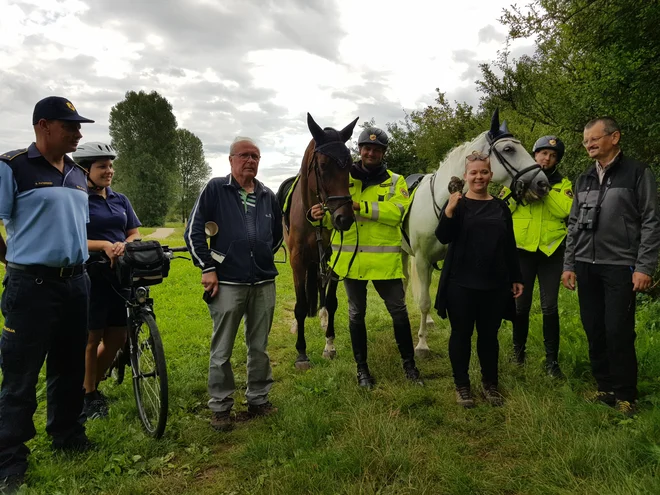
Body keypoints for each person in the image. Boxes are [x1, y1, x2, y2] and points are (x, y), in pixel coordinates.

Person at [0, 96, 95, 492]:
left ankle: (67, 434)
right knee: (20, 375)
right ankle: (9, 459)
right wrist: (14, 261)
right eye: (70, 126)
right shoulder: (13, 166)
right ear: (43, 126)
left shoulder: (76, 172)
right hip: (31, 286)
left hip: (76, 282)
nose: (78, 133)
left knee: (69, 366)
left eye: (78, 126)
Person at [562, 117, 660, 416]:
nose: (588, 144)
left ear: (614, 137)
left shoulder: (638, 173)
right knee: (594, 329)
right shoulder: (583, 178)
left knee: (618, 330)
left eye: (593, 138)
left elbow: (652, 221)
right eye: (585, 141)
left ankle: (626, 395)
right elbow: (575, 224)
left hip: (620, 265)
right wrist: (569, 263)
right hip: (585, 265)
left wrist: (645, 266)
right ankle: (604, 387)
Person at [310, 127, 421, 388]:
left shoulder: (396, 181)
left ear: (383, 153)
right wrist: (317, 214)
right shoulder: (343, 177)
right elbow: (335, 215)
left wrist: (361, 206)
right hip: (351, 263)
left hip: (385, 264)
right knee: (356, 314)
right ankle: (362, 370)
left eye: (377, 149)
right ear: (359, 150)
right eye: (366, 148)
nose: (371, 153)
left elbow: (397, 213)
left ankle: (410, 366)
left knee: (399, 313)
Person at [184, 136, 283, 432]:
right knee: (222, 348)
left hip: (263, 281)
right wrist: (208, 267)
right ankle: (221, 406)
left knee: (260, 346)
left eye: (255, 156)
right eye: (244, 155)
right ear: (231, 160)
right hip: (226, 281)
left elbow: (277, 235)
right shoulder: (216, 188)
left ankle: (258, 399)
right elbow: (194, 230)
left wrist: (262, 254)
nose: (250, 161)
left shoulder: (267, 195)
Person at [434, 152, 523, 408]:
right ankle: (462, 386)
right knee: (461, 335)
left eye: (483, 172)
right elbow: (442, 237)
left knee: (488, 337)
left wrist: (516, 277)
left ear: (491, 176)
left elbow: (509, 245)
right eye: (473, 172)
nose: (479, 177)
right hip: (460, 284)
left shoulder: (500, 207)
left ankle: (490, 384)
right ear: (465, 176)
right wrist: (449, 211)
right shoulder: (457, 205)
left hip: (494, 286)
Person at [72, 142, 142, 420]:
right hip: (91, 274)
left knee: (117, 335)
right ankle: (88, 395)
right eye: (102, 166)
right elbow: (73, 237)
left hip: (120, 274)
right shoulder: (77, 200)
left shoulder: (120, 199)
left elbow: (134, 231)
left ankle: (89, 385)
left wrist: (125, 244)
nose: (109, 171)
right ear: (85, 170)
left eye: (110, 166)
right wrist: (103, 245)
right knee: (92, 338)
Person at [499, 136, 573, 377]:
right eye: (542, 154)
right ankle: (518, 355)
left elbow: (567, 210)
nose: (547, 158)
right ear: (534, 155)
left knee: (550, 307)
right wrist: (516, 191)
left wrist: (545, 189)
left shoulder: (563, 184)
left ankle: (552, 362)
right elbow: (501, 210)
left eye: (552, 156)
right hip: (523, 252)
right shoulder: (516, 179)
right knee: (520, 306)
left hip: (551, 252)